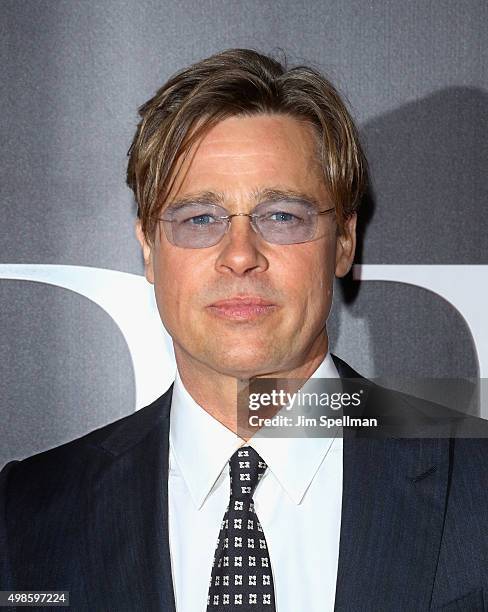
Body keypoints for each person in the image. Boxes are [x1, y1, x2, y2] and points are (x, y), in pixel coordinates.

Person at [1, 49, 487, 612]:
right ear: (150, 250)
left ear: (345, 241)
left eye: (281, 215)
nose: (239, 255)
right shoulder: (27, 512)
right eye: (198, 219)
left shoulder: (476, 482)